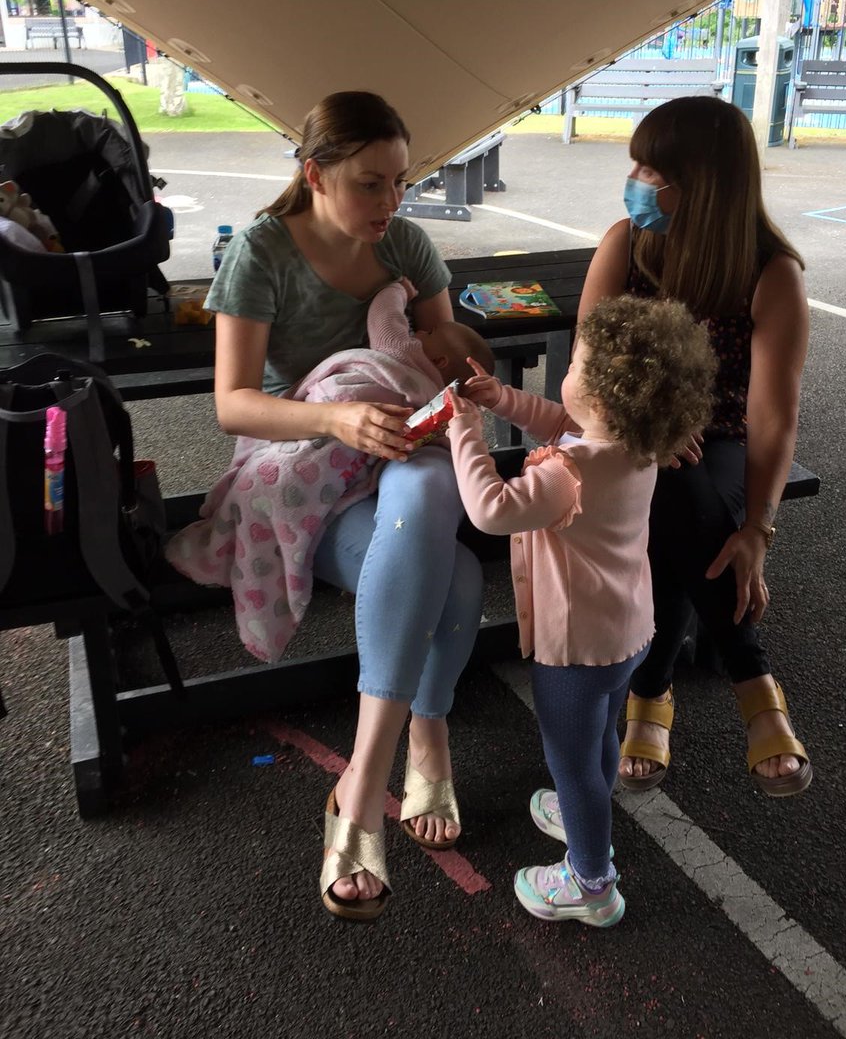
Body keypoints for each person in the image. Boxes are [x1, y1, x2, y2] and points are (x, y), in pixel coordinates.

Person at [194, 90, 487, 923]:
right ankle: (422, 739)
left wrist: (458, 361)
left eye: (400, 183)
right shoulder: (261, 252)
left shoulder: (406, 245)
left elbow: (448, 361)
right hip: (303, 464)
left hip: (401, 456)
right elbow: (234, 404)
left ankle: (361, 784)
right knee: (458, 579)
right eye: (370, 184)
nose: (389, 204)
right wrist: (337, 416)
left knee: (431, 485)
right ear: (314, 174)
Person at [447, 296, 716, 925]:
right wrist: (500, 399)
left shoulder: (564, 476)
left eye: (577, 361)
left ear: (601, 391)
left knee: (570, 755)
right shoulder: (633, 442)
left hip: (576, 649)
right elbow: (560, 420)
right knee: (597, 730)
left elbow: (490, 507)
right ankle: (582, 806)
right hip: (629, 631)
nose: (567, 368)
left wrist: (466, 432)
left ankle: (591, 880)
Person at [578, 94, 813, 798]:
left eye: (652, 170)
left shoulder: (773, 275)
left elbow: (772, 421)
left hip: (725, 442)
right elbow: (589, 367)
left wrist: (757, 532)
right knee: (666, 480)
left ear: (703, 184)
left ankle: (652, 694)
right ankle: (754, 681)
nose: (637, 182)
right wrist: (650, 424)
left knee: (682, 495)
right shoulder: (627, 243)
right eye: (638, 168)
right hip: (631, 432)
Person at [167, 276, 494, 663]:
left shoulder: (405, 356)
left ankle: (402, 704)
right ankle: (419, 709)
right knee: (452, 574)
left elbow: (384, 320)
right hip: (346, 450)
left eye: (431, 331)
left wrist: (396, 291)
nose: (421, 327)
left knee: (444, 570)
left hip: (326, 452)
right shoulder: (435, 403)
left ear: (437, 361)